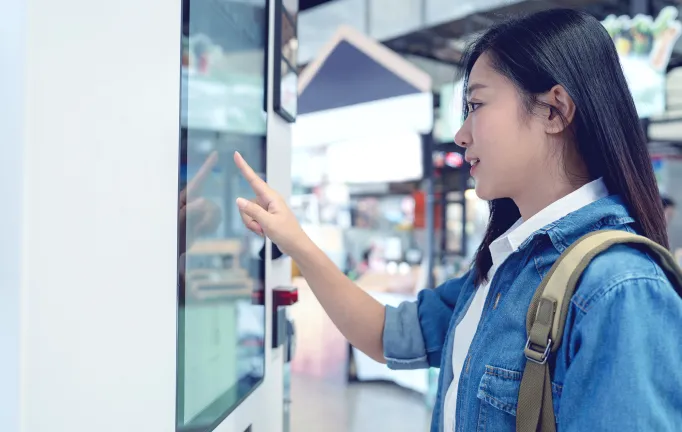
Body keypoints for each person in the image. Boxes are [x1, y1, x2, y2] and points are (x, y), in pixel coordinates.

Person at [233, 9, 682, 432]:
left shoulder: (619, 289)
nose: (460, 134)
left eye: (476, 105)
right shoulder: (504, 267)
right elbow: (388, 335)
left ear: (554, 110)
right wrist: (295, 241)